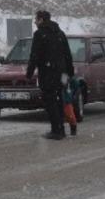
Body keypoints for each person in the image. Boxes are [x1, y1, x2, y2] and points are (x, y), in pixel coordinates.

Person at [26, 9, 75, 140]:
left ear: (41, 19)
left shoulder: (39, 34)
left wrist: (29, 72)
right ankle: (61, 129)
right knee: (60, 100)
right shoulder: (60, 33)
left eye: (36, 19)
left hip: (48, 73)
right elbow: (68, 54)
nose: (35, 22)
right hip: (62, 73)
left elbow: (34, 55)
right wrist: (70, 72)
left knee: (50, 101)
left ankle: (56, 130)